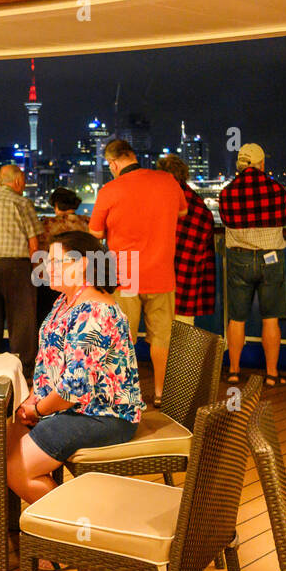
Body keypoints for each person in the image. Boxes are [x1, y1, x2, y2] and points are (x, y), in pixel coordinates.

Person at [7, 231, 142, 546]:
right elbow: (50, 364)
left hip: (104, 414)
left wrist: (39, 408)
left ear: (82, 265)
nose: (46, 267)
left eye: (54, 261)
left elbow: (74, 388)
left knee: (17, 468)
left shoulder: (95, 310)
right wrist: (32, 401)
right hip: (73, 407)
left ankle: (73, 537)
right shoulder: (65, 301)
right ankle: (43, 525)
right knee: (11, 435)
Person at [90, 139, 186, 408]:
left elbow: (95, 233)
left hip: (127, 270)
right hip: (161, 270)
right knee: (161, 338)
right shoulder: (167, 180)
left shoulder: (110, 189)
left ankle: (126, 394)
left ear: (114, 162)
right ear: (132, 155)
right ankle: (160, 393)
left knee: (124, 338)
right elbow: (183, 211)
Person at [218, 143, 286, 386]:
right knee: (270, 318)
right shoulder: (277, 189)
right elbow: (283, 217)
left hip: (239, 257)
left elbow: (226, 220)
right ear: (261, 164)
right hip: (271, 257)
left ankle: (235, 371)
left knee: (237, 318)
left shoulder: (227, 192)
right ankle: (271, 374)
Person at [0, 164, 45, 380]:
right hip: (17, 266)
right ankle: (24, 370)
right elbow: (34, 243)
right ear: (18, 181)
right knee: (22, 319)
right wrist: (36, 272)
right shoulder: (22, 203)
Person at [157, 154, 216, 327]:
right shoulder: (199, 206)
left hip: (158, 274)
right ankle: (180, 355)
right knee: (184, 327)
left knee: (159, 329)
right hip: (187, 276)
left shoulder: (158, 199)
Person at [38, 187, 90, 323]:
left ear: (56, 205)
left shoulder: (47, 224)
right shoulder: (87, 222)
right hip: (81, 277)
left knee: (50, 316)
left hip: (52, 277)